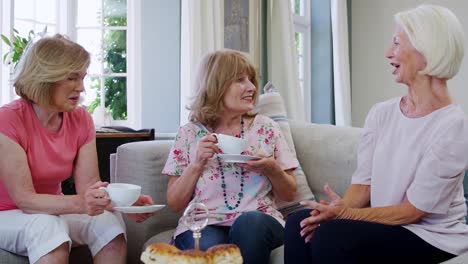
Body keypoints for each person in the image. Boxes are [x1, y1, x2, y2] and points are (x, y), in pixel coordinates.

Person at [284, 4, 468, 263]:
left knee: (333, 236)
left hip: (431, 235)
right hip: (387, 224)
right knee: (299, 224)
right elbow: (362, 186)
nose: (387, 53)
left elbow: (413, 212)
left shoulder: (453, 126)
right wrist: (334, 210)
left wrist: (344, 215)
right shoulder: (381, 113)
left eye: (396, 43)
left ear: (426, 50)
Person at [0, 34, 155, 264]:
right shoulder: (8, 119)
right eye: (72, 78)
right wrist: (81, 203)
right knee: (47, 227)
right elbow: (25, 199)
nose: (81, 88)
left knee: (108, 222)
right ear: (46, 78)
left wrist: (123, 203)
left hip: (52, 210)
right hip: (7, 215)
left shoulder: (80, 118)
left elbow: (88, 187)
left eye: (82, 77)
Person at [163, 49, 298, 263]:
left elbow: (290, 193)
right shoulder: (189, 134)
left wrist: (271, 169)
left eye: (251, 80)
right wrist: (197, 163)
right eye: (240, 80)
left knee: (249, 224)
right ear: (217, 86)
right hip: (204, 222)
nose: (252, 88)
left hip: (259, 220)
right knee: (210, 250)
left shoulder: (266, 127)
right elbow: (175, 203)